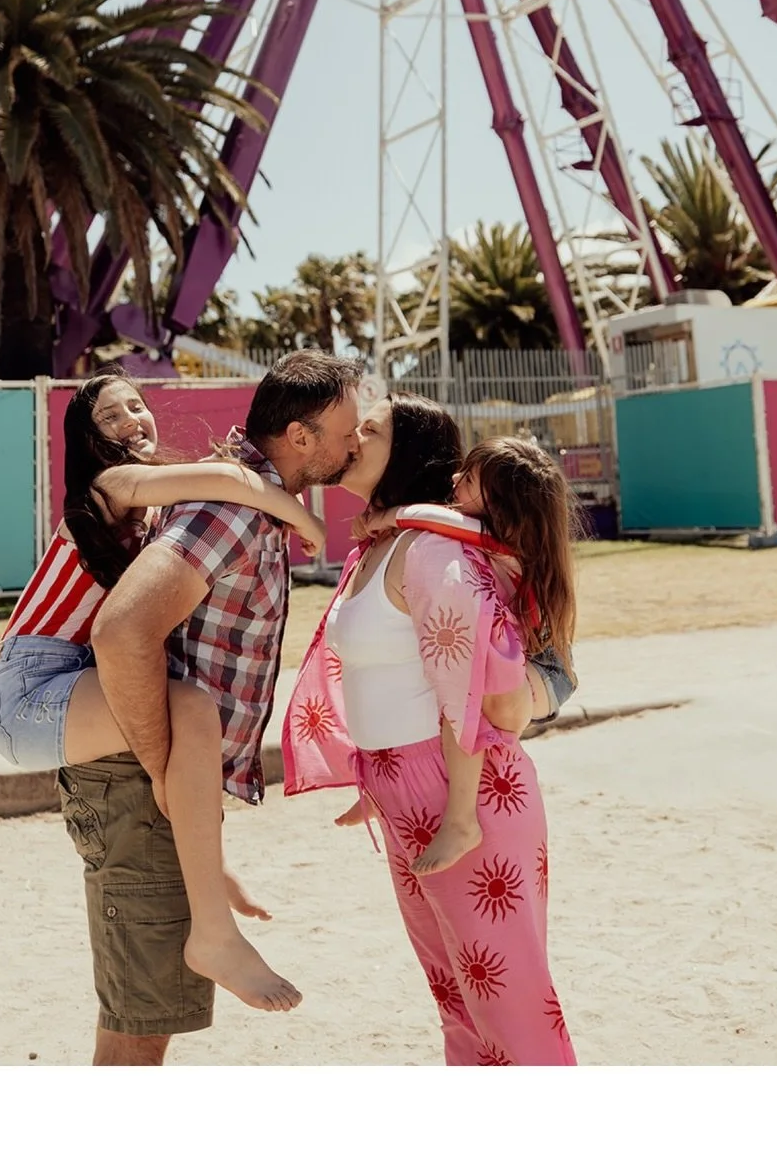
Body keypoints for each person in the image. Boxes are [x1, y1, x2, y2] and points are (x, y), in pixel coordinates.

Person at [0, 365, 330, 1017]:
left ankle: (211, 888)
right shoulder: (111, 488)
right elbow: (229, 477)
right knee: (190, 711)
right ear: (89, 440)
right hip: (28, 691)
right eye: (110, 416)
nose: (130, 422)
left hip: (59, 677)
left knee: (189, 717)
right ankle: (215, 936)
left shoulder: (155, 519)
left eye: (136, 407)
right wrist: (300, 520)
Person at [71, 349, 365, 1066]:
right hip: (140, 779)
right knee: (140, 1029)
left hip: (157, 777)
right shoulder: (234, 507)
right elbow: (124, 630)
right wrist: (164, 772)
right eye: (346, 432)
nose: (354, 444)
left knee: (149, 1020)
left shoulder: (251, 502)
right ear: (299, 438)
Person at [282, 394, 579, 1065]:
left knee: (509, 1003)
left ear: (406, 452)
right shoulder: (381, 547)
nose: (354, 435)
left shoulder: (431, 554)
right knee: (457, 998)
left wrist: (457, 808)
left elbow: (471, 688)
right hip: (407, 790)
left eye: (372, 428)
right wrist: (377, 777)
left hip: (464, 791)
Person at [371, 438, 579, 877]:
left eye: (467, 480)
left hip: (545, 670)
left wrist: (391, 515)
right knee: (464, 678)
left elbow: (431, 517)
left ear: (500, 503)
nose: (452, 481)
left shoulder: (501, 536)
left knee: (465, 685)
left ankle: (463, 821)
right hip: (531, 666)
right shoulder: (497, 530)